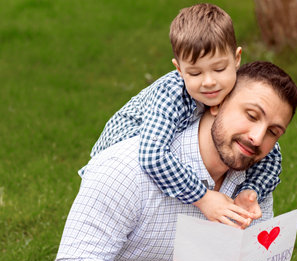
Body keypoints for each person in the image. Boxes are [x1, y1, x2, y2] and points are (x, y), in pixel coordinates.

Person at [54, 61, 297, 261]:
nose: (257, 137)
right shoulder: (125, 166)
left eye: (273, 132)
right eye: (252, 115)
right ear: (218, 102)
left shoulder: (252, 182)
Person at [87, 3, 283, 228]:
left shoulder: (238, 88)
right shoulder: (172, 93)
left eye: (219, 69)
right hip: (118, 172)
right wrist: (203, 197)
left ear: (236, 58)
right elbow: (152, 154)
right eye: (195, 72)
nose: (209, 82)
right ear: (179, 69)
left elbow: (271, 154)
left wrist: (252, 189)